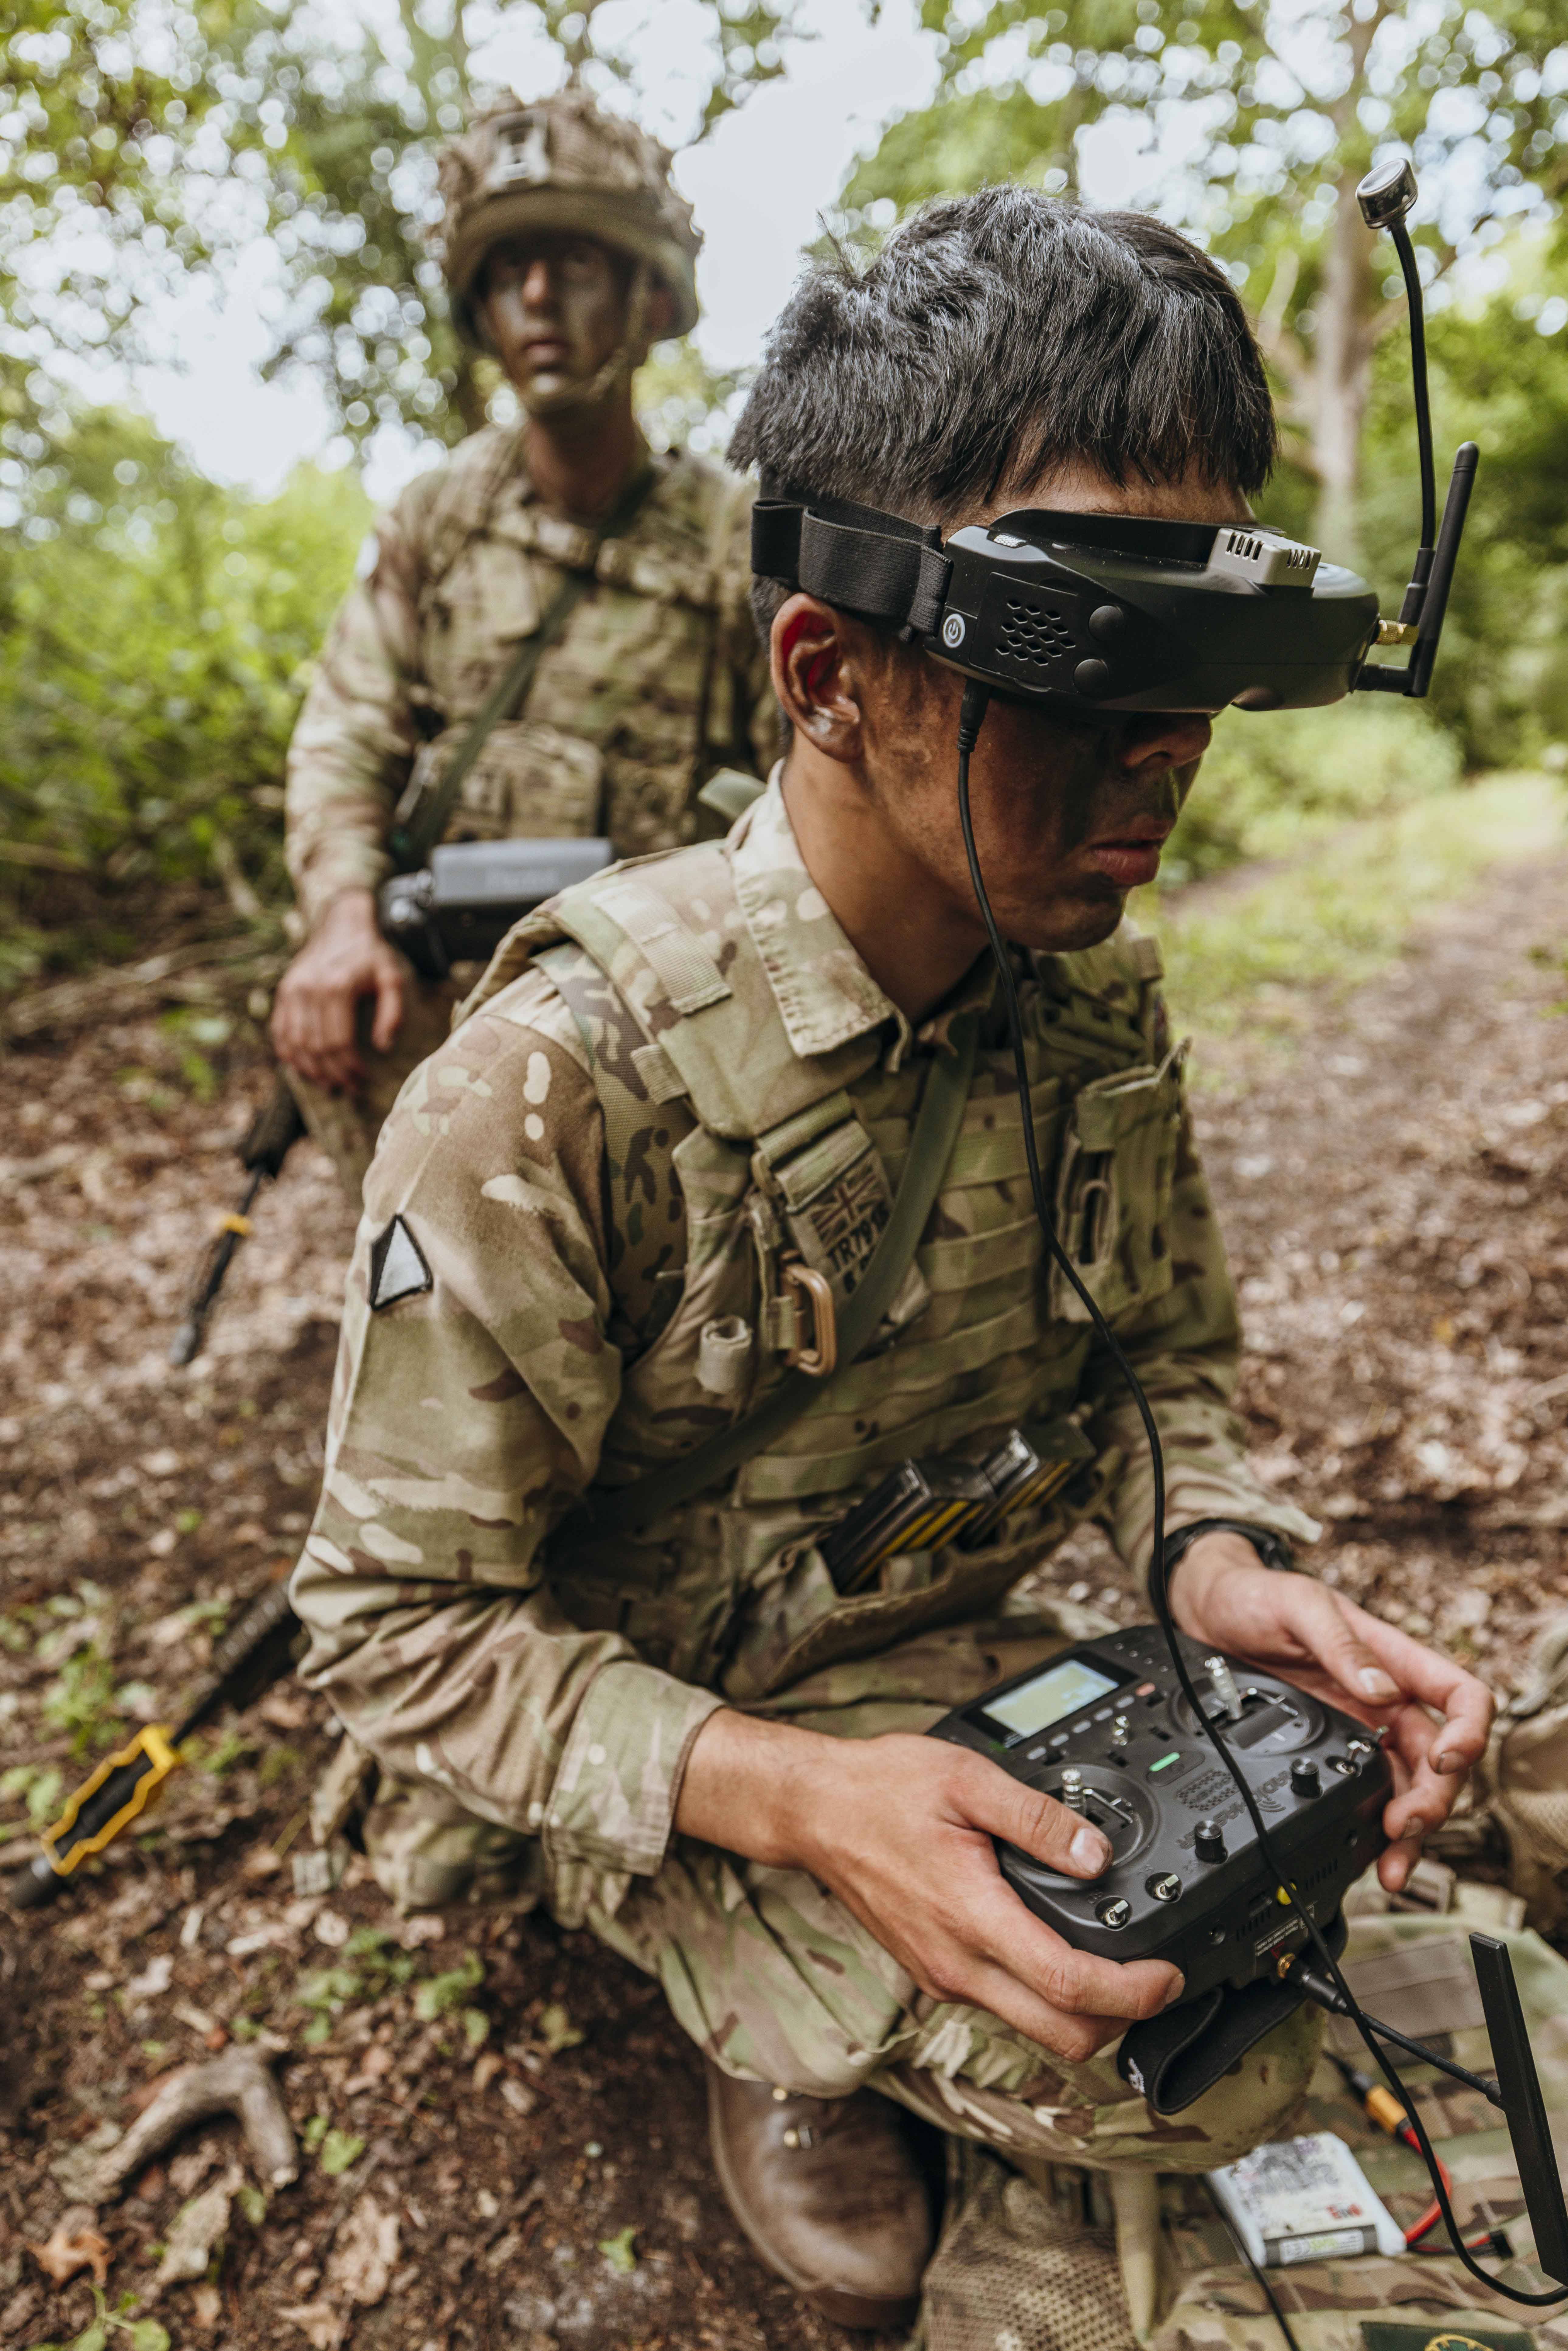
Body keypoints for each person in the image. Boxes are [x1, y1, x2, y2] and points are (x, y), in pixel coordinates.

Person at [289, 190, 1492, 2333]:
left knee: (1298, 1959)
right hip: (678, 1714)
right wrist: (798, 1799)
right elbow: (388, 1626)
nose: (1173, 766)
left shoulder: (1091, 994)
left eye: (1204, 686)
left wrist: (1216, 1554)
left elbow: (1163, 1375)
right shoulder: (553, 1091)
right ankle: (763, 2008)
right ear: (833, 676)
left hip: (965, 1627)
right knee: (1124, 2048)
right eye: (1097, 689)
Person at [270, 87, 774, 1200]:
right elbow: (346, 736)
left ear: (651, 299)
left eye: (575, 265)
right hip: (447, 1017)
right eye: (507, 273)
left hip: (667, 1034)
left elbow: (815, 791)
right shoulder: (436, 524)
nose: (537, 297)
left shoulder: (730, 541)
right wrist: (341, 924)